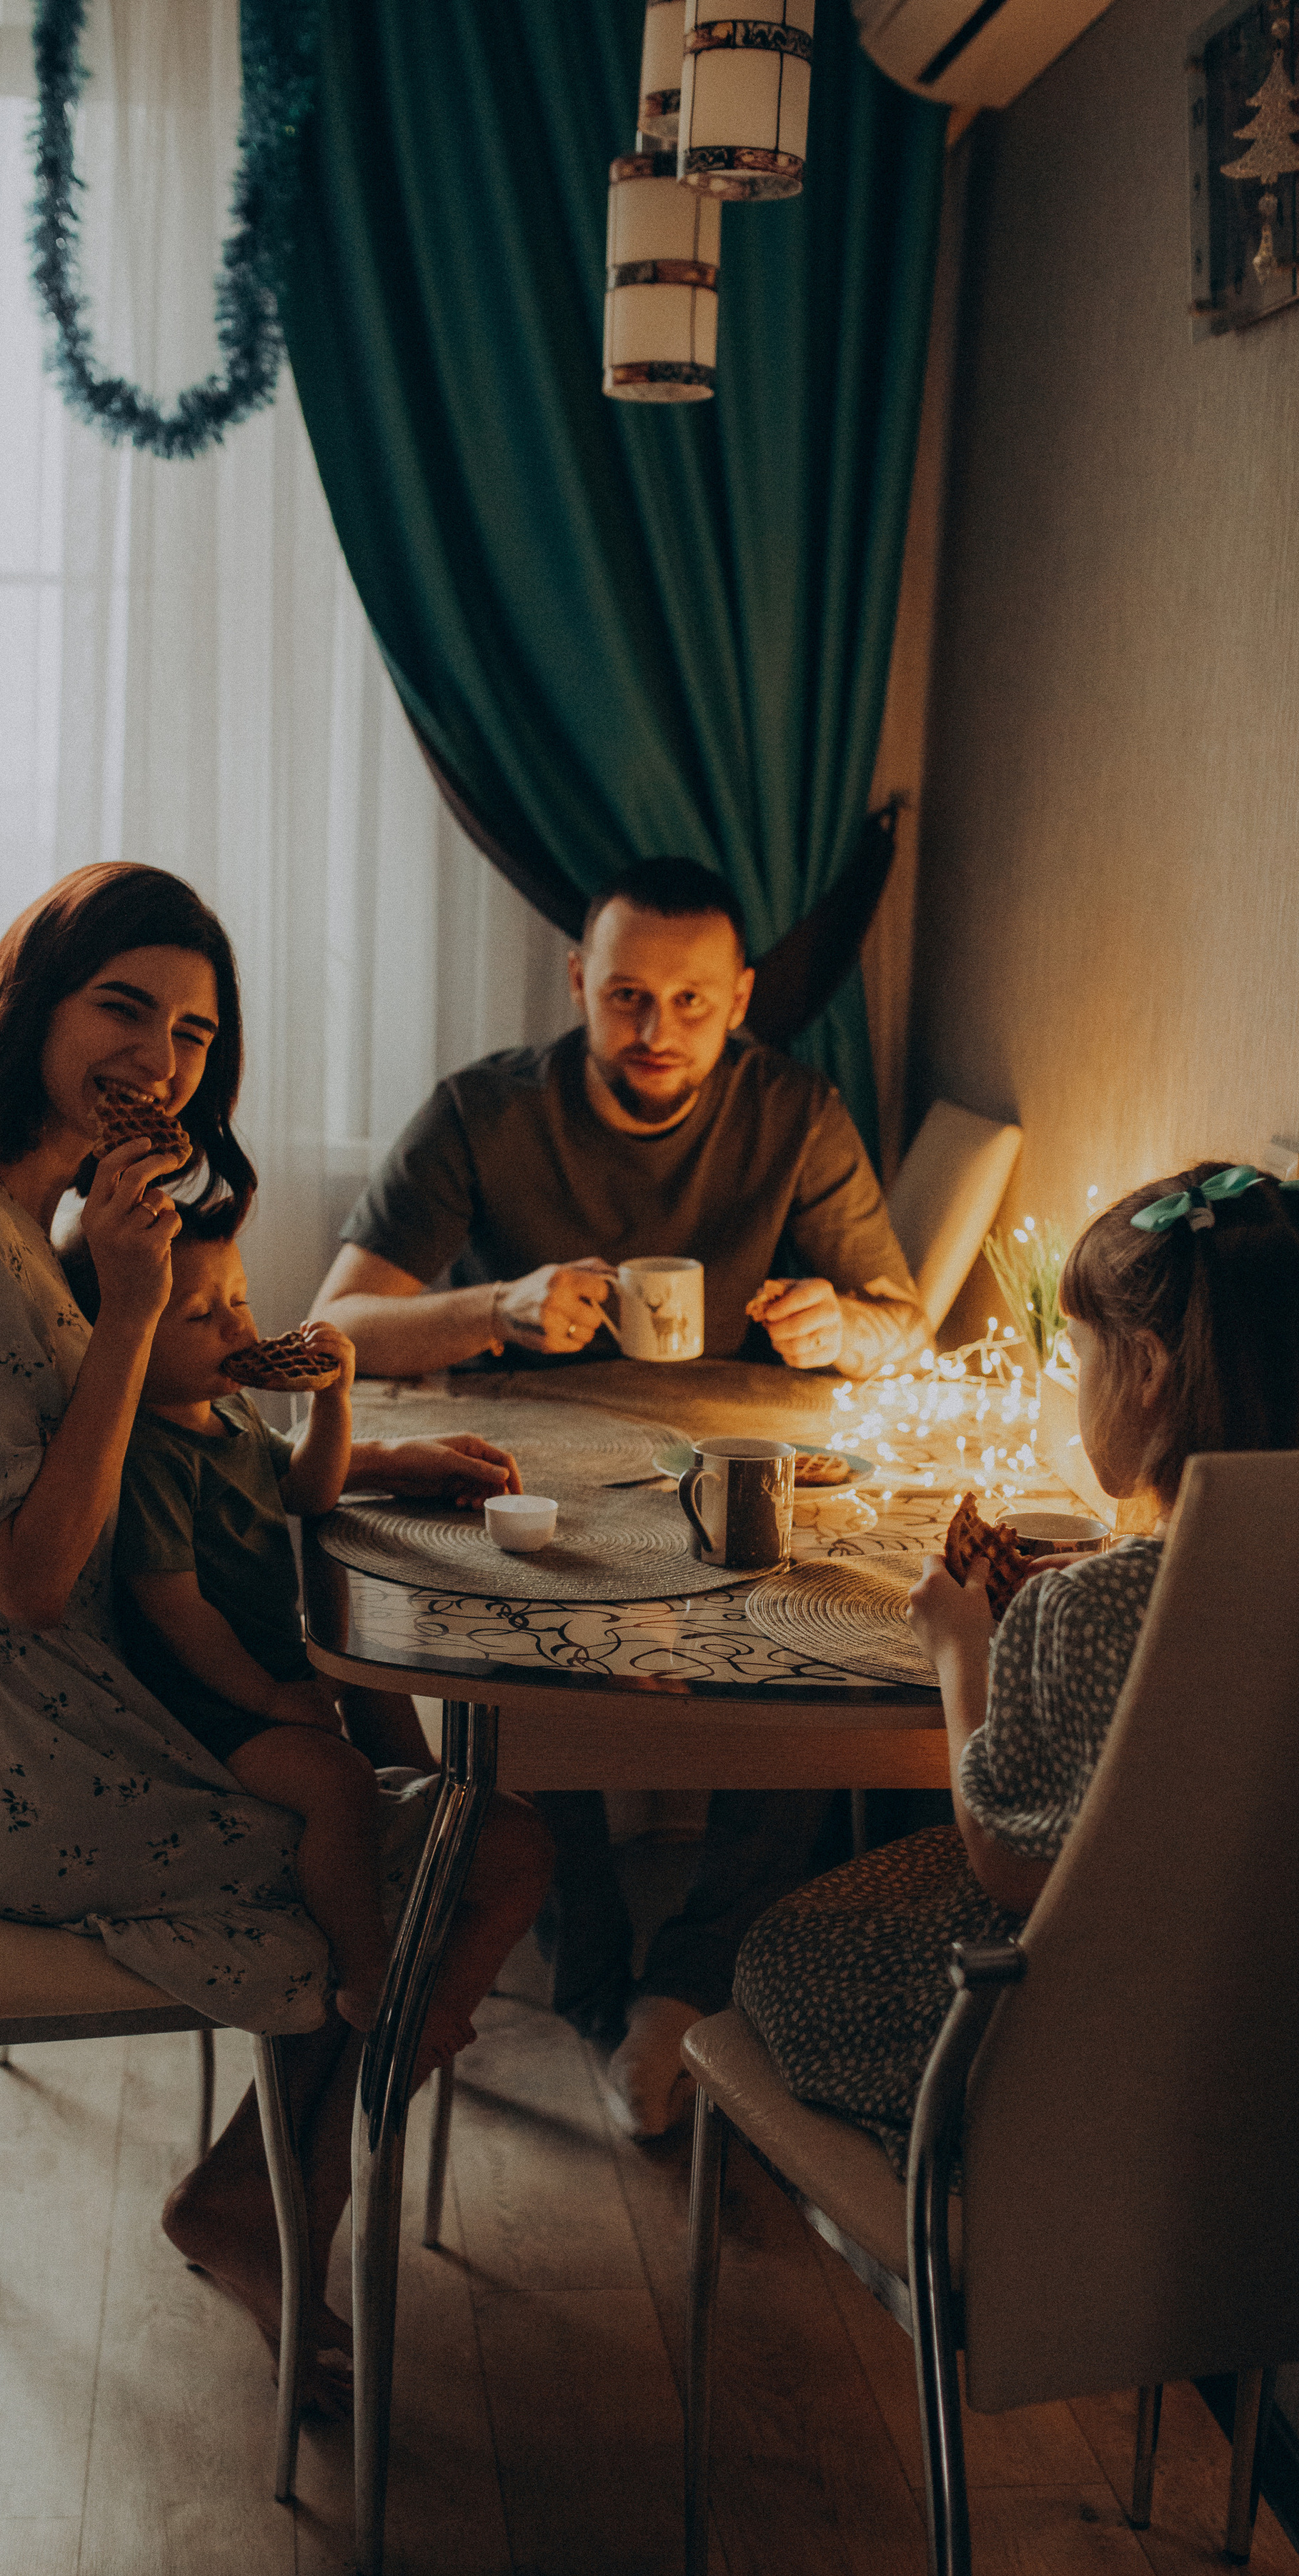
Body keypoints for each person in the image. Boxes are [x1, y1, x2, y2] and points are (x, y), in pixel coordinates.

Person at [0, 861, 548, 2406]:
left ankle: (273, 2175)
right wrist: (130, 1301)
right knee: (476, 1853)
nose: (159, 1062)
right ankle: (278, 2193)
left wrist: (369, 1457)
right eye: (123, 1010)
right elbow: (35, 1580)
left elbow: (143, 1445)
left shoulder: (17, 1206)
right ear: (34, 1001)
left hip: (54, 1715)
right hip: (34, 1759)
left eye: (193, 1034)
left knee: (416, 1800)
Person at [310, 854, 933, 2136]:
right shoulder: (484, 1111)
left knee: (825, 1641)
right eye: (628, 997)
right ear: (578, 980)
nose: (658, 1030)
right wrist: (499, 1307)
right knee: (519, 1667)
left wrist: (840, 1324)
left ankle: (689, 1981)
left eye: (692, 1002)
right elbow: (338, 1325)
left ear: (740, 997)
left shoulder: (795, 1111)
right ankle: (594, 1984)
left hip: (729, 1456)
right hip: (532, 1465)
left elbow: (900, 1320)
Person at [734, 1160, 1299, 2170]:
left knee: (778, 1949)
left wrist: (961, 1650)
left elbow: (1010, 1866)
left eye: (1075, 1352)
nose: (1072, 1378)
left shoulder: (1088, 1605)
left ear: (1146, 1369)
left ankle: (935, 2209)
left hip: (1076, 2049)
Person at [111, 1221, 530, 2054]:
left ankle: (431, 1902)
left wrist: (334, 1399)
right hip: (205, 1711)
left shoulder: (226, 1410)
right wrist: (270, 1697)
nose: (236, 1324)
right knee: (338, 1783)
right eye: (198, 1314)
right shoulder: (148, 1455)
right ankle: (366, 1973)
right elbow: (177, 1612)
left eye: (237, 1299)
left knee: (380, 1679)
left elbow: (307, 1489)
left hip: (267, 1673)